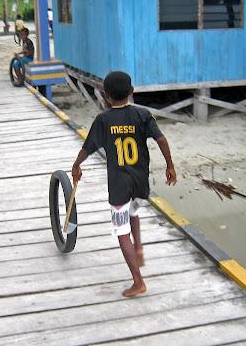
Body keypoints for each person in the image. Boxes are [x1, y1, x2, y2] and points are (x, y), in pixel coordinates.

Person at [71, 71, 177, 298]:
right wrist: (170, 166)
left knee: (121, 232)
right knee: (134, 210)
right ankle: (138, 247)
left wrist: (76, 165)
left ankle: (138, 282)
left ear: (105, 95)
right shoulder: (143, 114)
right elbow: (161, 140)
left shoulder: (103, 120)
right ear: (132, 92)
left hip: (119, 185)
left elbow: (87, 148)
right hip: (140, 180)